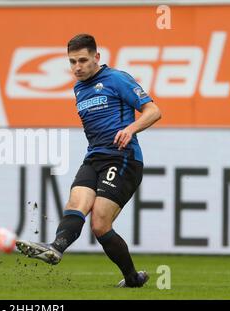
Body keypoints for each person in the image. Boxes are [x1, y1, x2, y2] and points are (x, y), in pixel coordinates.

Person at [16, 34, 162, 288]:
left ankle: (131, 278)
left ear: (97, 57)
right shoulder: (79, 88)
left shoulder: (117, 79)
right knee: (76, 202)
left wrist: (131, 129)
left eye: (83, 60)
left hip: (122, 158)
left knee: (99, 224)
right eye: (72, 62)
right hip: (94, 157)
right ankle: (56, 248)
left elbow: (154, 111)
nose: (77, 67)